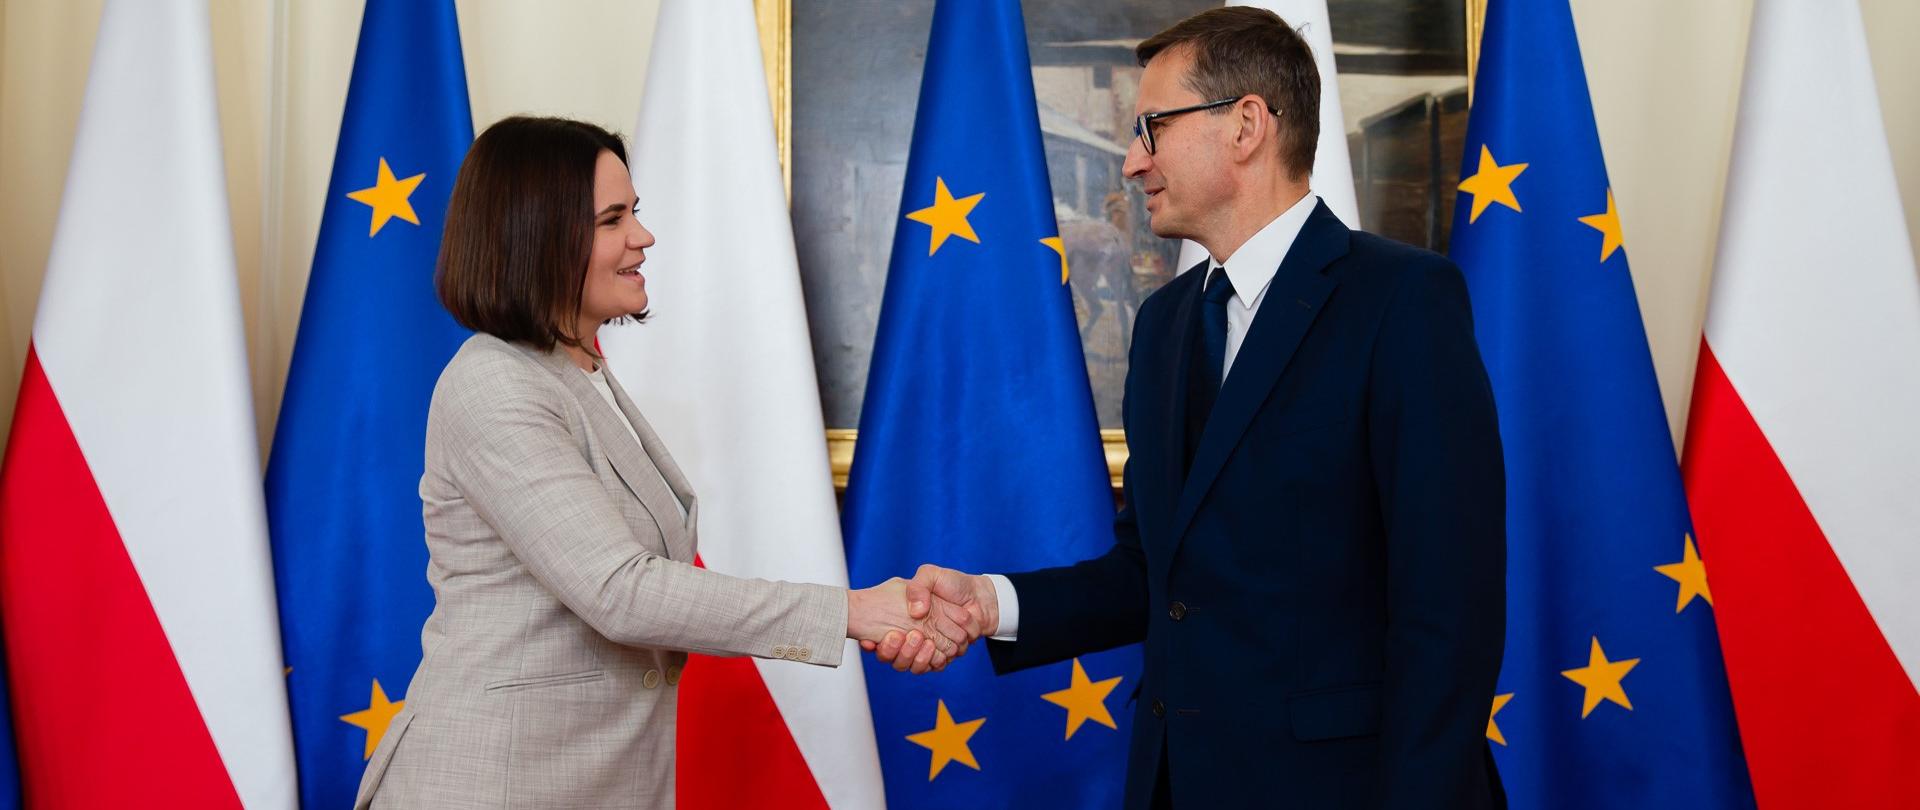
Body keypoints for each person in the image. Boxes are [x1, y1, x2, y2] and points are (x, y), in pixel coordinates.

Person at [878, 8, 1507, 808]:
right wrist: (992, 604)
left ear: (1246, 125)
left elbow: (1450, 608)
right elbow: (1157, 570)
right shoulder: (1168, 322)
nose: (1133, 162)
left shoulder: (1402, 302)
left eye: (1152, 128)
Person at [354, 116, 976, 809]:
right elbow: (622, 592)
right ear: (537, 234)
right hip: (493, 784)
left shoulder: (579, 370)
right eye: (613, 219)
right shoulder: (495, 384)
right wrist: (851, 612)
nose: (642, 238)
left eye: (636, 213)